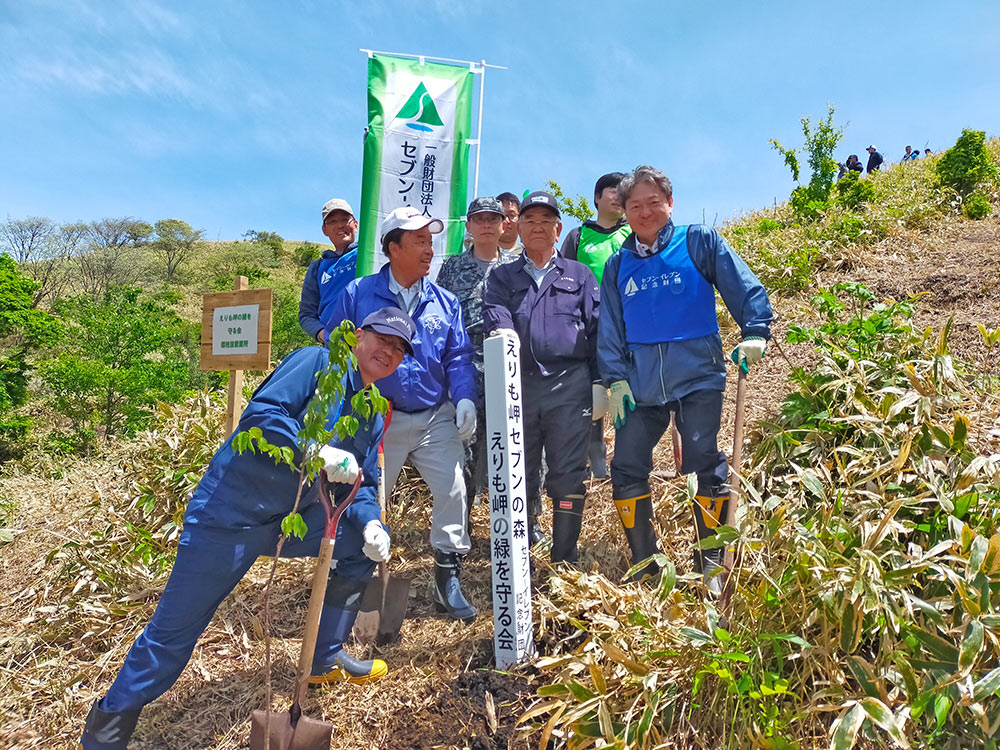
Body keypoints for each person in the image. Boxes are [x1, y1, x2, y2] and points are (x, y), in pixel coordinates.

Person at [81, 308, 416, 750]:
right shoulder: (318, 364)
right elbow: (262, 416)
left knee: (357, 544)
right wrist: (315, 450)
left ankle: (324, 655)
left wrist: (371, 520)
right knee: (173, 632)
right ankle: (106, 730)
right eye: (382, 340)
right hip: (230, 515)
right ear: (357, 337)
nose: (387, 352)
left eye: (398, 349)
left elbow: (363, 482)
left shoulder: (371, 411)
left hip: (293, 520)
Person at [598, 165, 773, 594]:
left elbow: (743, 285)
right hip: (640, 386)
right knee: (626, 466)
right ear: (624, 211)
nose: (644, 212)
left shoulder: (698, 241)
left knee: (703, 460)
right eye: (634, 205)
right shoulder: (618, 265)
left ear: (669, 203)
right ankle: (645, 563)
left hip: (698, 376)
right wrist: (615, 379)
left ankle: (710, 563)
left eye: (652, 203)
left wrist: (754, 331)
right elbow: (610, 328)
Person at [323, 206, 480, 622]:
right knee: (365, 498)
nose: (430, 250)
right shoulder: (358, 294)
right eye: (420, 241)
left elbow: (459, 355)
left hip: (433, 414)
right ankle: (352, 584)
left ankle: (447, 579)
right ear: (393, 248)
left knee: (453, 490)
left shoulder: (444, 301)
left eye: (431, 241)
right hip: (378, 417)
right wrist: (345, 407)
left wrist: (464, 397)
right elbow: (336, 352)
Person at [483, 191, 603, 563]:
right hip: (519, 385)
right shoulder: (502, 276)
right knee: (521, 469)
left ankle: (563, 555)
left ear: (558, 230)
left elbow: (599, 329)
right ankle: (518, 555)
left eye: (545, 222)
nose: (537, 228)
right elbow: (495, 311)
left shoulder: (579, 275)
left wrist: (602, 381)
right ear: (516, 227)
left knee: (568, 472)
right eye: (529, 221)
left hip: (570, 385)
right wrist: (503, 332)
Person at [437, 197, 518, 517]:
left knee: (512, 449)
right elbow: (441, 317)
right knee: (464, 451)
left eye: (492, 219)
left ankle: (518, 522)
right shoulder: (453, 266)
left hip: (507, 367)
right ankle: (460, 523)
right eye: (479, 219)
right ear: (468, 226)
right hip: (464, 368)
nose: (486, 225)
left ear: (503, 225)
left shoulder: (516, 267)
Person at [560, 172, 629, 479]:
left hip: (629, 323)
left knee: (629, 386)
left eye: (622, 192)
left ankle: (629, 457)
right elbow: (560, 276)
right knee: (593, 391)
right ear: (597, 197)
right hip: (586, 325)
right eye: (611, 191)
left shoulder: (633, 233)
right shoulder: (578, 236)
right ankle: (595, 459)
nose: (617, 196)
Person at [299, 198, 359, 344]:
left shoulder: (369, 253)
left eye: (345, 219)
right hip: (335, 350)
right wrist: (322, 334)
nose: (339, 225)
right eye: (332, 221)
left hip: (370, 342)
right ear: (324, 230)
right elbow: (307, 314)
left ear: (355, 225)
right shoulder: (318, 267)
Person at [496, 191, 524, 256]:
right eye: (502, 215)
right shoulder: (480, 255)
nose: (507, 221)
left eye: (512, 215)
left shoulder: (530, 257)